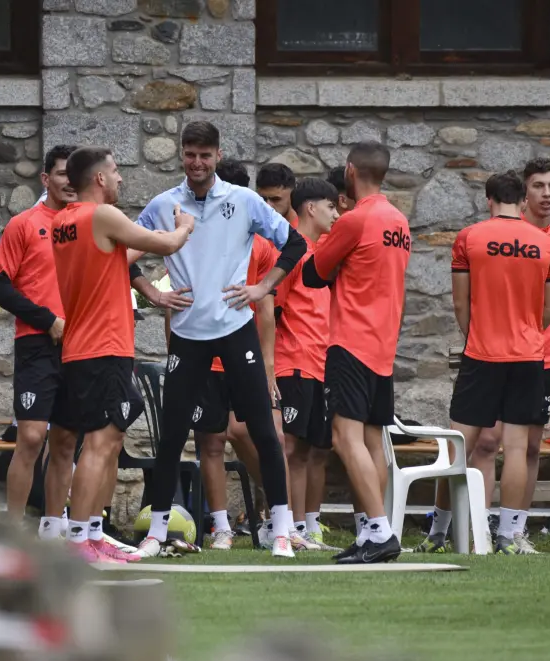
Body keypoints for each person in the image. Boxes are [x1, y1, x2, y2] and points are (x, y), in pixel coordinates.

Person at [133, 121, 308, 559]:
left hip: (235, 331)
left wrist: (263, 286)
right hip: (189, 337)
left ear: (217, 154)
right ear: (181, 154)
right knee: (173, 435)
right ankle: (158, 532)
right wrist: (152, 293)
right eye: (190, 153)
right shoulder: (163, 204)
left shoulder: (244, 200)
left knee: (264, 431)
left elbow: (296, 244)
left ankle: (283, 529)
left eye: (205, 155)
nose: (197, 162)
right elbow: (119, 252)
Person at [416, 157, 550, 555]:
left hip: (482, 353)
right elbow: (549, 310)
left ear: (489, 200)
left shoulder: (468, 238)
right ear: (522, 200)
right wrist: (526, 330)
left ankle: (439, 531)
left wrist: (478, 333)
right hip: (528, 355)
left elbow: (459, 303)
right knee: (519, 448)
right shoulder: (548, 243)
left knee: (457, 446)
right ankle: (508, 535)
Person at [51, 146, 193, 564]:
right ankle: (79, 542)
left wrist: (151, 291)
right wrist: (185, 225)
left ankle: (93, 535)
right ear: (98, 179)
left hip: (84, 348)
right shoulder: (102, 216)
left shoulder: (64, 221)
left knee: (109, 441)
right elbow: (164, 243)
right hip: (102, 346)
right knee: (99, 444)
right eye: (115, 172)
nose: (120, 178)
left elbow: (118, 259)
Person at [302, 141, 411, 565]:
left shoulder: (356, 219)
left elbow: (314, 273)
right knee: (370, 441)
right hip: (383, 345)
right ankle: (372, 530)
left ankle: (380, 532)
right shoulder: (399, 221)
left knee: (345, 439)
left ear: (350, 170)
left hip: (350, 342)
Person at [0, 145, 77, 529]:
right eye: (61, 174)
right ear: (46, 179)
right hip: (36, 344)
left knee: (66, 442)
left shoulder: (91, 226)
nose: (69, 181)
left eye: (75, 174)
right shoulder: (24, 224)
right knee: (31, 437)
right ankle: (14, 528)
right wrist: (47, 321)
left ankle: (53, 529)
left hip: (78, 347)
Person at [277, 178, 341, 552]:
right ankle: (285, 525)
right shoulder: (292, 251)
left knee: (312, 451)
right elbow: (273, 307)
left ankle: (304, 526)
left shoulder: (325, 253)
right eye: (331, 207)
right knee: (289, 449)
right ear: (311, 209)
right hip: (294, 363)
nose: (336, 214)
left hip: (321, 364)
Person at [256, 163, 298, 227]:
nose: (268, 205)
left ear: (293, 196)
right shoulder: (252, 231)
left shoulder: (311, 232)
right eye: (263, 199)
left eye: (275, 199)